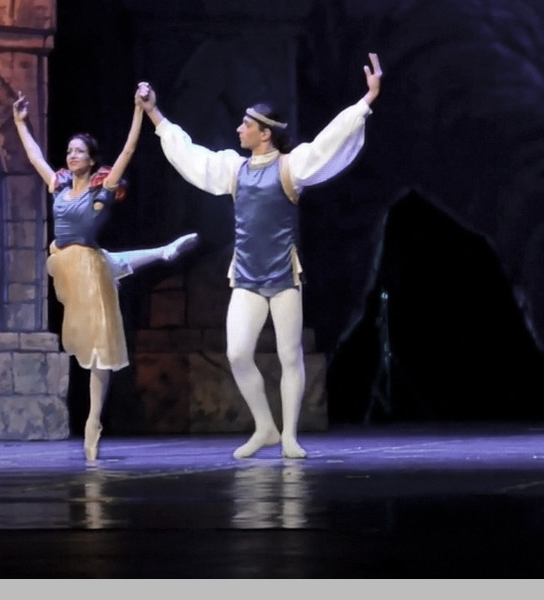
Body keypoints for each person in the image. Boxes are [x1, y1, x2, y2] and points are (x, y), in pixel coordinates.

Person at [137, 53, 383, 459]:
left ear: (264, 133)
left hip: (283, 276)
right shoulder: (235, 170)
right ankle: (265, 426)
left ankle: (289, 435)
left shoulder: (291, 167)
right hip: (247, 277)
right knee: (237, 353)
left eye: (245, 125)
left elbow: (329, 141)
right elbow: (193, 157)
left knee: (289, 355)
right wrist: (154, 114)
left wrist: (366, 100)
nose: (239, 129)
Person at [12, 89, 199, 461]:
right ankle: (163, 252)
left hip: (88, 267)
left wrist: (138, 112)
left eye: (79, 151)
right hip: (66, 266)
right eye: (69, 151)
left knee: (100, 347)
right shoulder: (59, 184)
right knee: (109, 267)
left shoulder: (104, 186)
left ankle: (93, 421)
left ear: (92, 159)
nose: (71, 155)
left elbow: (128, 151)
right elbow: (35, 157)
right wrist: (21, 123)